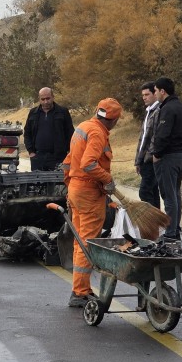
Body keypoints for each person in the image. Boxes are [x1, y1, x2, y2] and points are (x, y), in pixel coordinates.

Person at [62, 98, 122, 307]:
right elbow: (88, 164)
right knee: (87, 242)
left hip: (76, 189)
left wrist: (70, 184)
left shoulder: (83, 127)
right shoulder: (97, 133)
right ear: (113, 120)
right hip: (88, 193)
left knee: (80, 240)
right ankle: (79, 292)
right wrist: (107, 179)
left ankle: (80, 289)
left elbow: (69, 161)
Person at [149, 77, 182, 241]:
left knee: (169, 196)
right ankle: (175, 229)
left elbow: (163, 135)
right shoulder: (181, 107)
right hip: (181, 155)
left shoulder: (167, 109)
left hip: (168, 157)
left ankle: (170, 233)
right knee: (176, 194)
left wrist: (157, 154)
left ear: (162, 91)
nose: (155, 94)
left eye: (156, 91)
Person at [24, 87, 75, 171]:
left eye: (48, 98)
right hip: (37, 158)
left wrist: (69, 151)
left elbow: (70, 133)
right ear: (39, 99)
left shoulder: (63, 112)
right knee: (37, 183)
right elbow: (27, 133)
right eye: (43, 99)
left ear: (53, 97)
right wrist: (31, 152)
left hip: (58, 158)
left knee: (59, 183)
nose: (46, 102)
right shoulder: (33, 113)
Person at [134, 82, 161, 208]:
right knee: (153, 191)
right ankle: (157, 223)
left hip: (151, 159)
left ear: (155, 94)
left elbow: (155, 138)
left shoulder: (158, 111)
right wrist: (138, 161)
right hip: (144, 160)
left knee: (144, 192)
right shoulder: (148, 111)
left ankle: (153, 221)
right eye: (143, 95)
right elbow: (142, 138)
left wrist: (148, 157)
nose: (144, 97)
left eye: (147, 94)